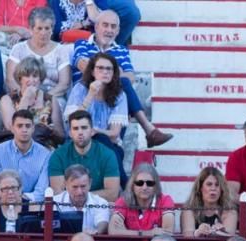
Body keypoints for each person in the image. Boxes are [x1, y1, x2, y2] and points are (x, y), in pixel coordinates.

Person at [69, 10, 172, 147]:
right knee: (122, 83)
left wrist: (103, 71)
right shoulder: (82, 44)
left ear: (118, 31)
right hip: (86, 94)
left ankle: (127, 142)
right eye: (105, 25)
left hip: (112, 97)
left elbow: (130, 77)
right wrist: (116, 70)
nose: (109, 30)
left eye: (113, 26)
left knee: (124, 86)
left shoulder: (122, 50)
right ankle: (149, 130)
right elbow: (83, 66)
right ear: (96, 26)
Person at [64, 52, 127, 181]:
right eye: (100, 68)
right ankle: (125, 186)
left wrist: (96, 130)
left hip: (107, 141)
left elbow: (115, 134)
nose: (105, 72)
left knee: (103, 141)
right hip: (79, 138)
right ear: (92, 71)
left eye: (109, 69)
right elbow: (74, 121)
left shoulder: (119, 94)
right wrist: (90, 95)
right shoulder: (80, 89)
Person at [6, 7, 71, 132]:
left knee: (58, 104)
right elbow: (10, 79)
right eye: (39, 28)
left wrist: (43, 97)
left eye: (47, 28)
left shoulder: (61, 50)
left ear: (52, 29)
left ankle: (52, 138)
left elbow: (64, 83)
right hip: (21, 95)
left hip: (52, 96)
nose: (43, 32)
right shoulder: (18, 49)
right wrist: (25, 97)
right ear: (31, 29)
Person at [47, 109, 119, 201]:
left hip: (98, 207)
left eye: (84, 128)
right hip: (67, 208)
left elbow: (112, 194)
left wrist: (79, 196)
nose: (80, 132)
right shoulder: (58, 155)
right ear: (70, 133)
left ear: (92, 131)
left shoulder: (107, 155)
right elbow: (57, 193)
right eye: (75, 128)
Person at [0, 109, 51, 202]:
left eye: (28, 126)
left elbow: (41, 191)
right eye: (20, 126)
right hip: (5, 201)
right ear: (12, 128)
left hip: (32, 203)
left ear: (33, 128)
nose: (24, 130)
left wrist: (22, 199)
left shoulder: (45, 154)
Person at [108, 162, 175, 236]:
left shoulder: (165, 200)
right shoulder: (123, 200)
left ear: (156, 186)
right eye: (139, 183)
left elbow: (167, 232)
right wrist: (148, 233)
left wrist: (125, 232)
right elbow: (113, 231)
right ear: (132, 185)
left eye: (149, 183)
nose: (144, 187)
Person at [2, 57, 60, 141]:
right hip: (17, 144)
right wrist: (25, 99)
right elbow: (11, 128)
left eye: (35, 76)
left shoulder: (51, 100)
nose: (31, 80)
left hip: (44, 145)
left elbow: (60, 135)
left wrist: (48, 130)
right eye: (26, 75)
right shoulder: (7, 99)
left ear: (40, 79)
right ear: (20, 78)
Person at [180, 166, 237, 238]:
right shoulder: (189, 209)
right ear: (200, 188)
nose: (213, 188)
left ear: (222, 189)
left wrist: (219, 232)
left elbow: (230, 237)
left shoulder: (230, 211)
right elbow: (188, 237)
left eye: (217, 185)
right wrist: (198, 232)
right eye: (209, 184)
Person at [53, 164, 111, 233]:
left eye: (83, 186)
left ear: (90, 183)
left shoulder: (101, 203)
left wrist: (97, 232)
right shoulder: (54, 202)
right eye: (75, 187)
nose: (79, 192)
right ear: (66, 185)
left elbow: (102, 223)